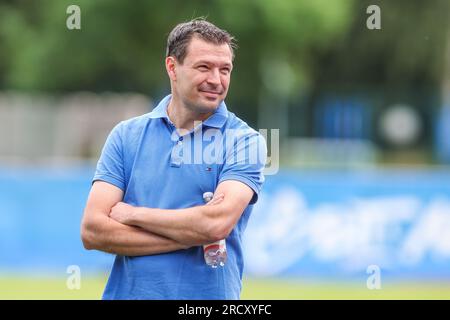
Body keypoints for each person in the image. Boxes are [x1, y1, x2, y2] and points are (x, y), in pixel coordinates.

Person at [81, 18, 267, 300]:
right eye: (204, 67)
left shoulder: (245, 141)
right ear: (172, 67)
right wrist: (190, 234)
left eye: (225, 69)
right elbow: (93, 230)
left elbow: (215, 226)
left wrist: (134, 214)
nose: (216, 80)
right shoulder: (125, 136)